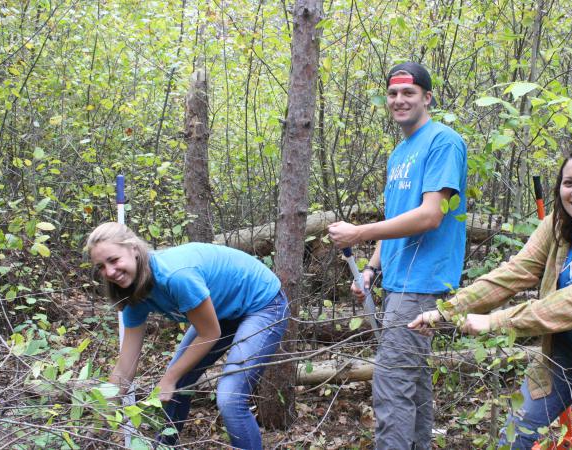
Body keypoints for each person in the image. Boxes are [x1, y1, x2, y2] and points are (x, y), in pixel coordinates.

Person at [409, 147, 572, 449]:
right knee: (514, 437)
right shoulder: (558, 224)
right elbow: (514, 273)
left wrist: (495, 321)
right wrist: (447, 311)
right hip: (562, 356)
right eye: (568, 183)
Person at [328, 62, 468, 450]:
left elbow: (429, 215)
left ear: (427, 97)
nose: (399, 100)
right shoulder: (399, 153)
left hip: (424, 281)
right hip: (399, 281)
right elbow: (396, 219)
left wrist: (358, 232)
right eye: (393, 93)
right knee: (414, 385)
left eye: (409, 92)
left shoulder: (444, 142)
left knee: (391, 386)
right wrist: (373, 268)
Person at [86, 222, 289, 449]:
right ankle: (163, 446)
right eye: (101, 267)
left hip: (261, 304)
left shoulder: (175, 276)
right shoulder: (133, 294)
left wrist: (169, 378)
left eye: (114, 260)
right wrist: (103, 412)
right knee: (176, 384)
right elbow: (125, 368)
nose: (110, 272)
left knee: (229, 398)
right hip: (221, 310)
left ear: (134, 249)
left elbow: (209, 334)